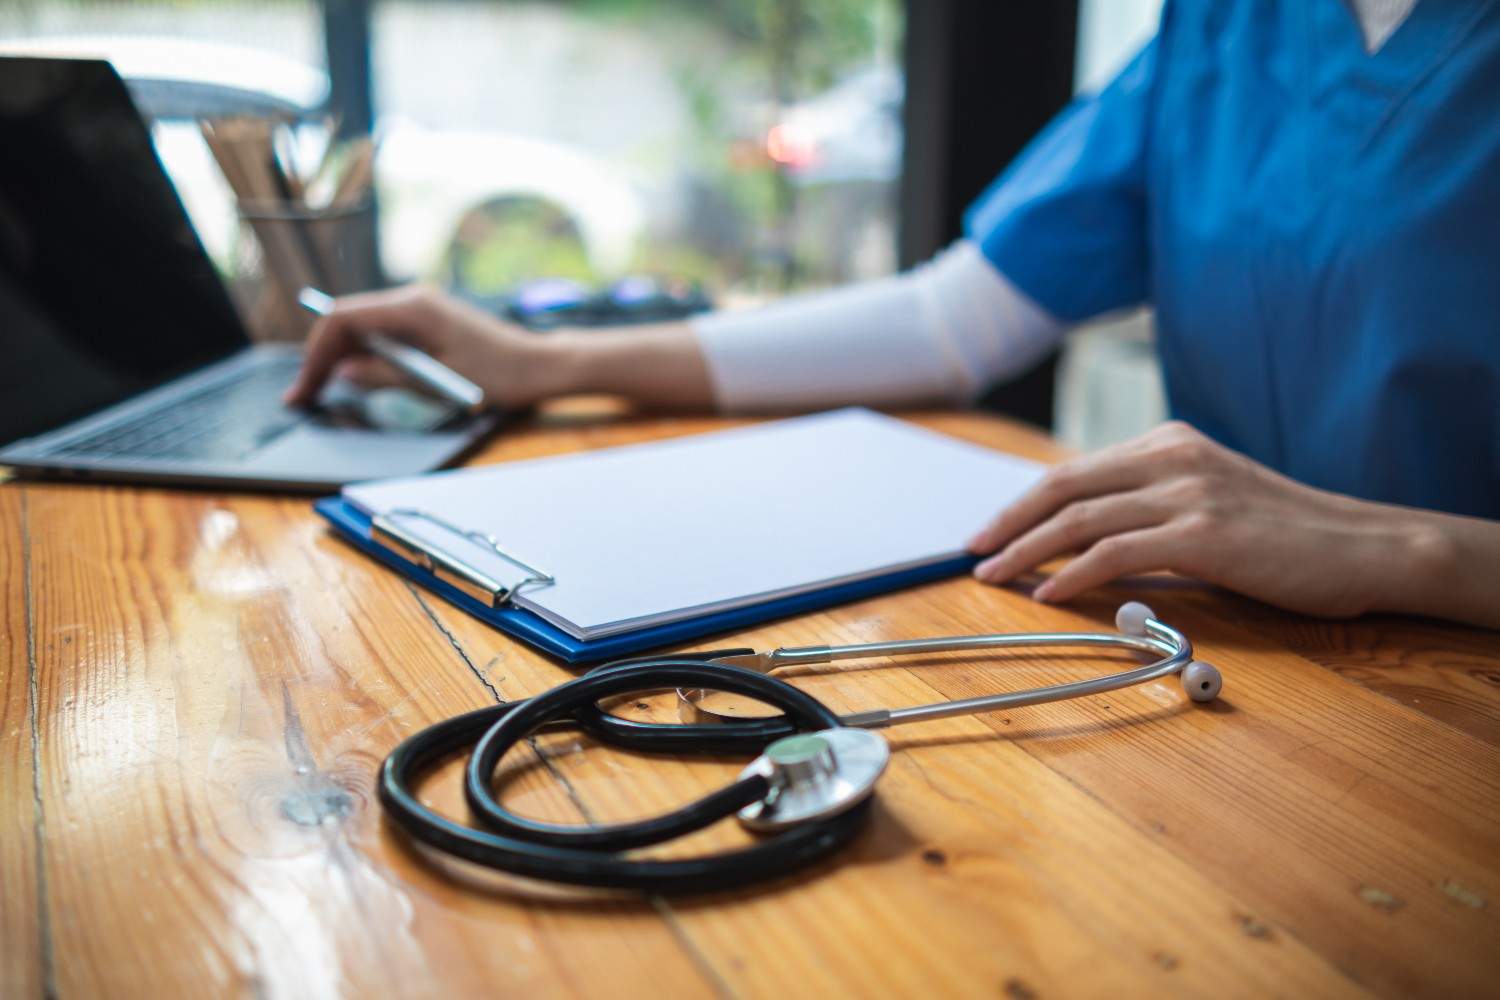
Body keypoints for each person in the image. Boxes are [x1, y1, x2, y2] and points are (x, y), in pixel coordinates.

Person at [286, 0, 1500, 629]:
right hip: (1235, 661)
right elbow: (953, 323)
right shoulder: (1228, 24)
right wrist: (539, 361)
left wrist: (1411, 549)